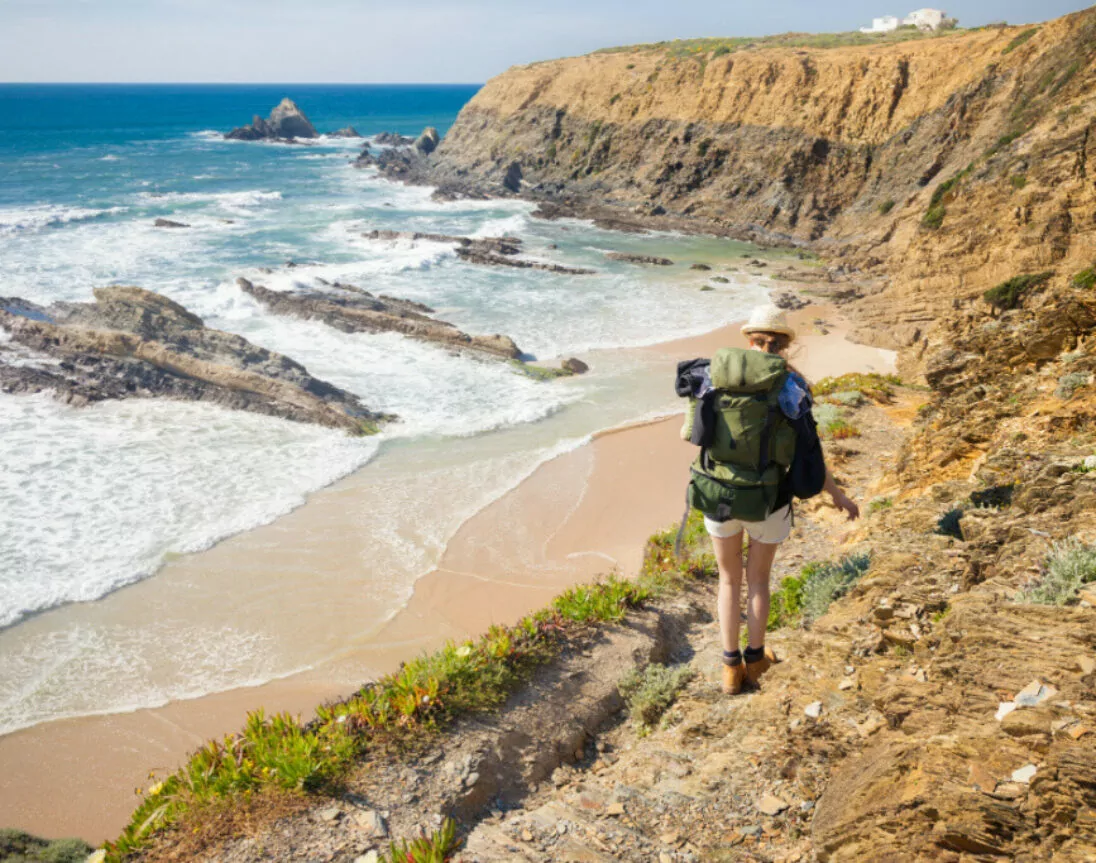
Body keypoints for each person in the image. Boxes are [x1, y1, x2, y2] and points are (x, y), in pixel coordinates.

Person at [706, 307, 860, 695]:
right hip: (769, 497)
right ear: (785, 345)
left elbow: (690, 433)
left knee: (728, 579)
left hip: (720, 495)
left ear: (749, 341)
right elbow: (810, 450)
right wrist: (836, 494)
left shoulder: (715, 376)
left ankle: (729, 669)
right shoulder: (792, 385)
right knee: (758, 579)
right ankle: (755, 660)